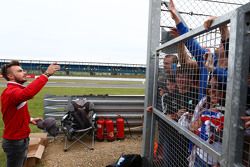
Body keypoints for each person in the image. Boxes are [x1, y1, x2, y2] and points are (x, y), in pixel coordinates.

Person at [1, 60, 60, 167]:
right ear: (10, 76)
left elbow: (15, 112)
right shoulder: (11, 92)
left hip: (21, 140)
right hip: (15, 142)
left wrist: (29, 119)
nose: (24, 73)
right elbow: (28, 93)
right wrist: (46, 74)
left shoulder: (15, 90)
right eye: (19, 71)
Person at [169, 0, 229, 101]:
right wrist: (176, 18)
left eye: (223, 43)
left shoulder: (235, 67)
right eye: (220, 42)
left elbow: (229, 79)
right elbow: (191, 43)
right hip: (203, 112)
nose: (220, 44)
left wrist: (218, 21)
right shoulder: (210, 59)